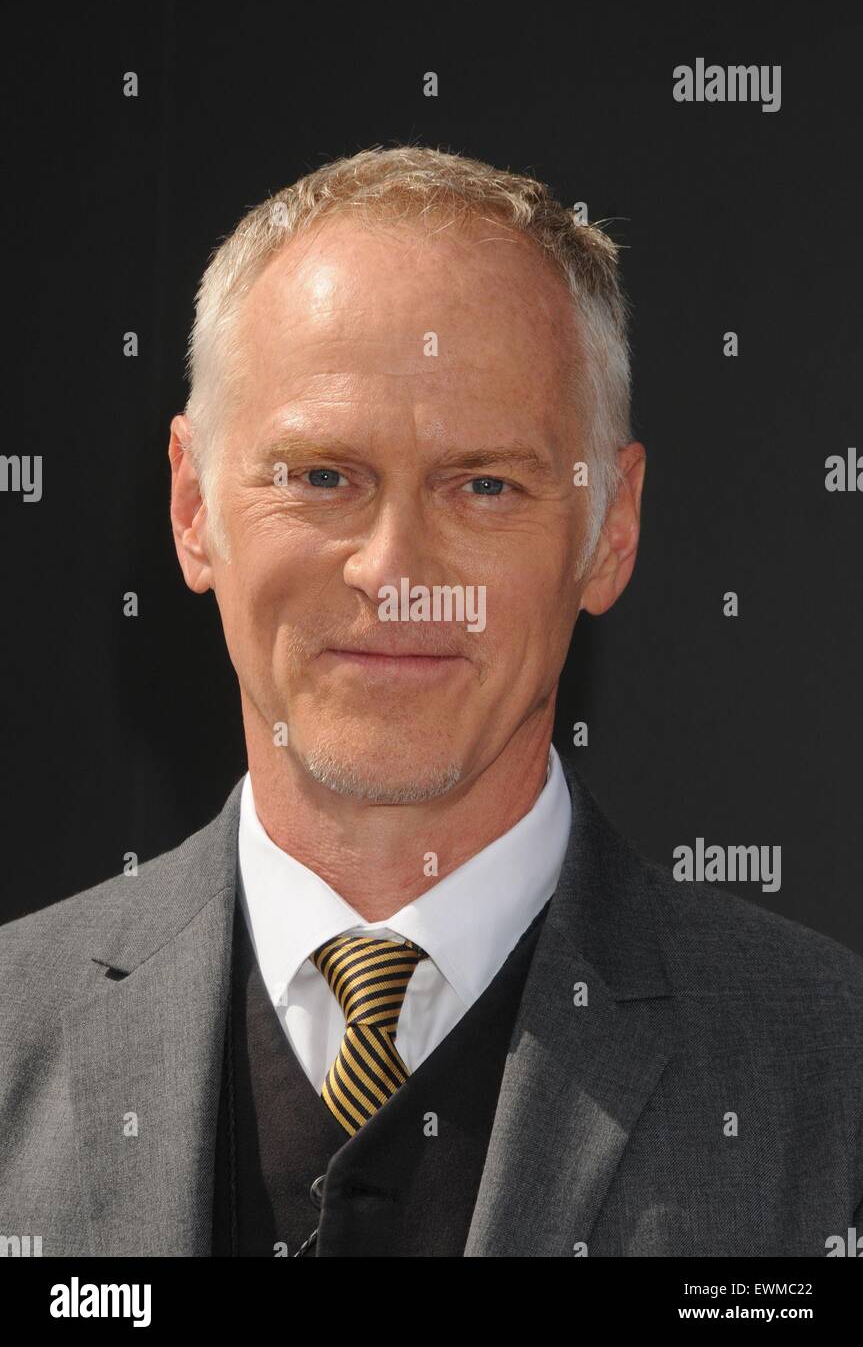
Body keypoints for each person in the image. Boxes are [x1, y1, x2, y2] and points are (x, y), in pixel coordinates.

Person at [1, 146, 861, 1257]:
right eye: (320, 476)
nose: (392, 569)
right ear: (191, 506)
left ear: (610, 528)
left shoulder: (830, 1086)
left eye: (484, 485)